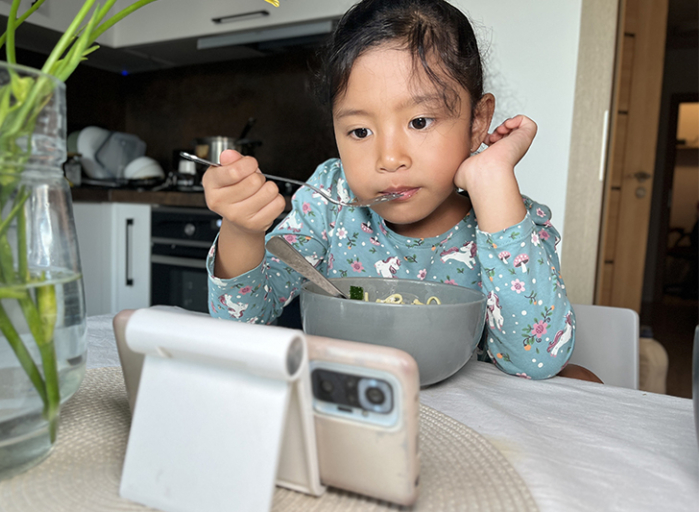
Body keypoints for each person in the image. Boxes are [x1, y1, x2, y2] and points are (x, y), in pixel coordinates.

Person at [203, 0, 597, 382]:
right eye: (360, 131)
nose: (389, 159)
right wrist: (241, 230)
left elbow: (537, 362)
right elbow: (242, 320)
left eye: (420, 121)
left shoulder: (506, 218)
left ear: (477, 121)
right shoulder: (329, 201)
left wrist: (493, 181)